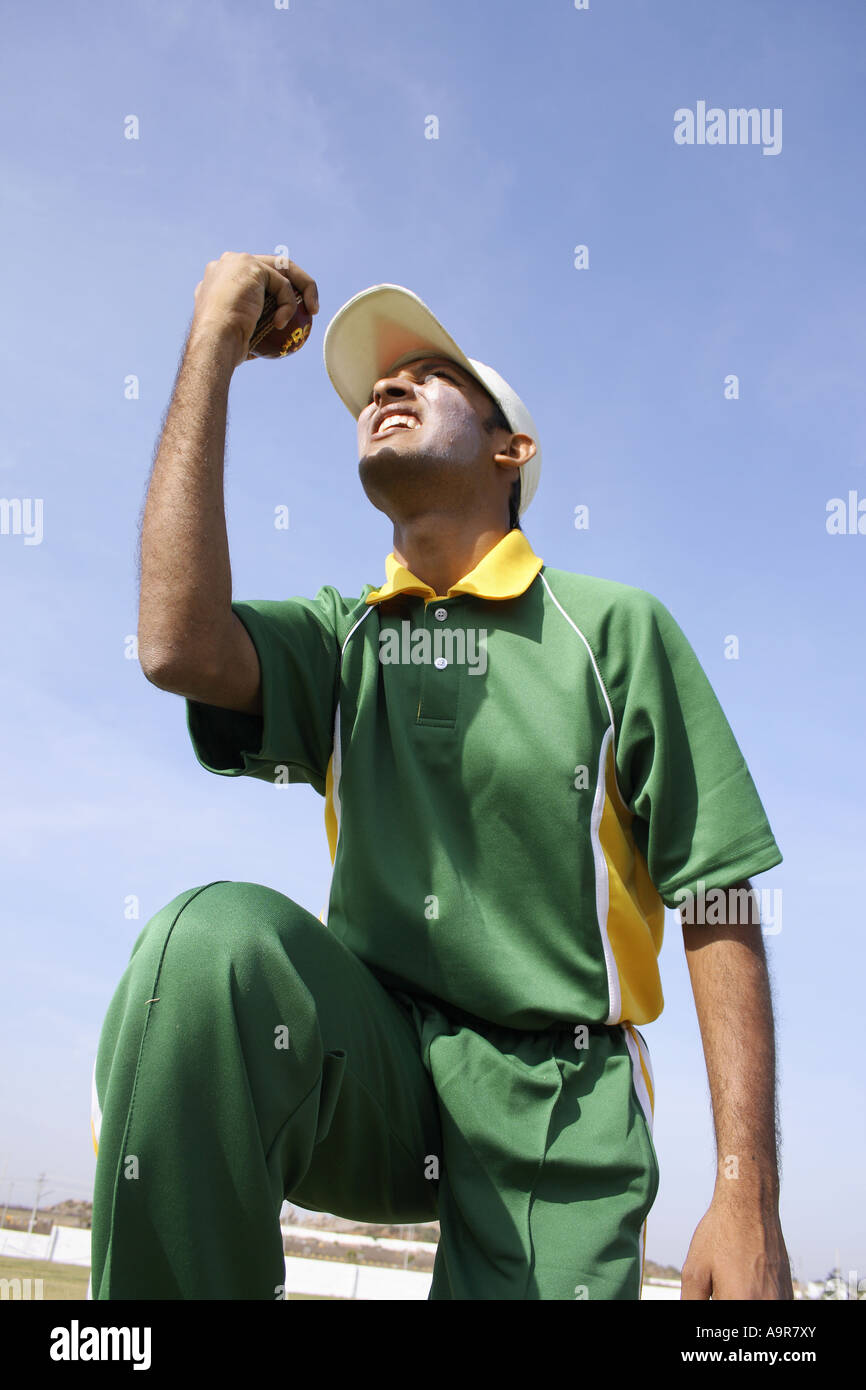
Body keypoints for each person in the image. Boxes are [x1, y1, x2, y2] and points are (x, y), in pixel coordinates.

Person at [89, 253, 793, 1300]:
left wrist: (745, 1190)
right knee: (206, 950)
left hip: (555, 1087)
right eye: (378, 384)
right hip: (375, 1062)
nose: (387, 387)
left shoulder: (610, 629)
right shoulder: (344, 642)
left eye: (430, 374)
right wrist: (212, 346)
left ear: (511, 449)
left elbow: (717, 890)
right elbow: (174, 646)